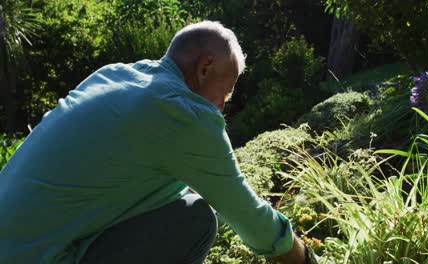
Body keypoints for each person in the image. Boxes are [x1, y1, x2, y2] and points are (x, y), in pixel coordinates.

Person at [0, 21, 311, 264]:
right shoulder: (182, 112)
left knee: (181, 199)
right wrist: (303, 257)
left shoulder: (114, 76)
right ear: (204, 68)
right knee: (195, 220)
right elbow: (245, 213)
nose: (222, 106)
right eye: (226, 93)